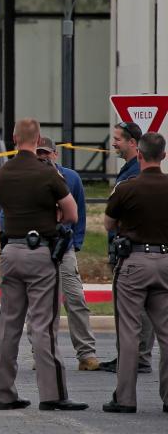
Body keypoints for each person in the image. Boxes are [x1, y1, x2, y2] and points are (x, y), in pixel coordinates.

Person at [0, 117, 87, 411]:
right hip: (40, 254)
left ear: (13, 137)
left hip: (11, 251)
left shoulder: (2, 173)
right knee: (43, 326)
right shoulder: (47, 174)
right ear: (37, 141)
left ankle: (6, 393)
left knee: (9, 325)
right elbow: (71, 213)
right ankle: (52, 394)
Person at [102, 131, 168, 414]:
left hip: (135, 261)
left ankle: (125, 398)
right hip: (166, 261)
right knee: (166, 333)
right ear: (163, 156)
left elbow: (108, 224)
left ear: (139, 154)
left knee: (129, 331)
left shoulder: (127, 188)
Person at [32, 137, 100, 371]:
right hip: (37, 247)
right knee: (40, 305)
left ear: (55, 154)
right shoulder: (26, 179)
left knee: (76, 300)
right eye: (38, 153)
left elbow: (79, 211)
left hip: (64, 247)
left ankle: (86, 354)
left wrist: (76, 243)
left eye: (46, 153)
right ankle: (41, 354)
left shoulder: (71, 178)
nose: (42, 157)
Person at [100, 120, 154, 375]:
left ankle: (136, 358)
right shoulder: (130, 171)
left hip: (132, 250)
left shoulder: (134, 176)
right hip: (136, 249)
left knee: (133, 308)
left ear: (133, 143)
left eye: (118, 139)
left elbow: (113, 218)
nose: (114, 143)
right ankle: (134, 356)